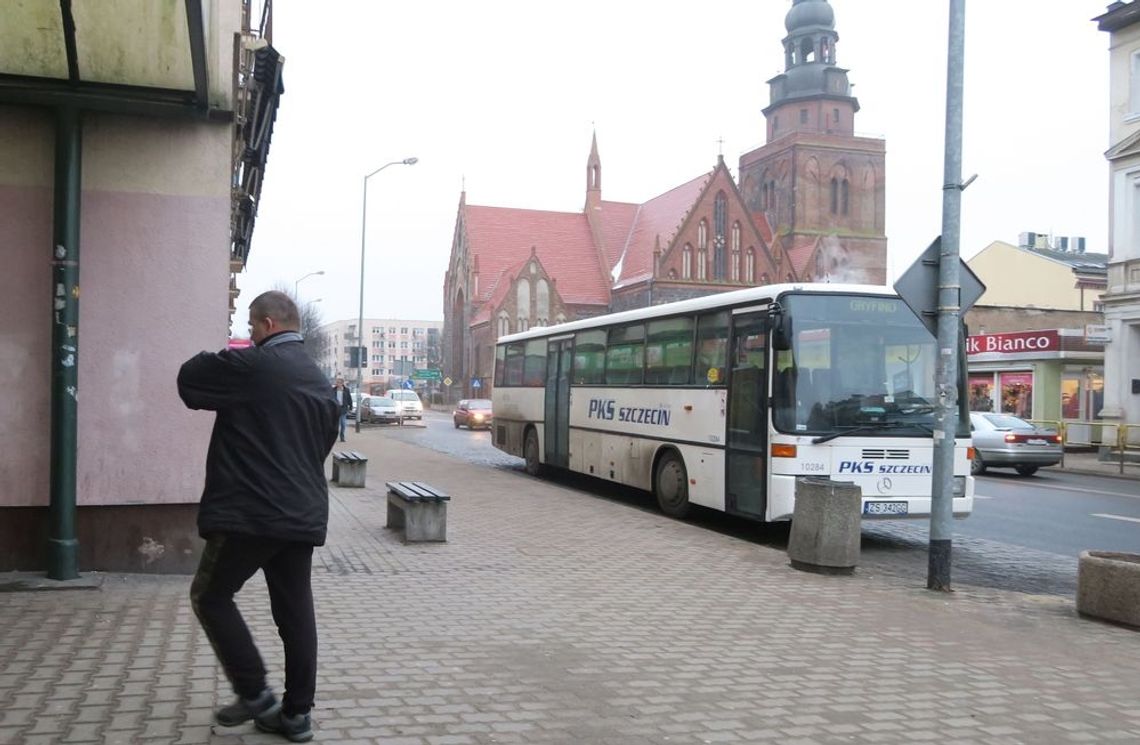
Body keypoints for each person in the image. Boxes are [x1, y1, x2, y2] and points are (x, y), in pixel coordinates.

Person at [177, 291, 338, 743]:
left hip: (252, 513)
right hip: (302, 513)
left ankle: (254, 694)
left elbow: (190, 377)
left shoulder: (254, 366)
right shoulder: (319, 380)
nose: (249, 335)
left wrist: (229, 354)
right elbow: (322, 445)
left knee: (210, 596)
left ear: (267, 324)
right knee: (295, 611)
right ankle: (297, 714)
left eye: (250, 327)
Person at [332, 376, 353, 441]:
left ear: (342, 383)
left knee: (343, 424)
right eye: (337, 382)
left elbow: (349, 398)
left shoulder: (346, 390)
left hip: (343, 409)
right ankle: (334, 437)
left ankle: (342, 436)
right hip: (335, 409)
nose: (337, 383)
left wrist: (351, 406)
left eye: (338, 382)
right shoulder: (333, 390)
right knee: (336, 425)